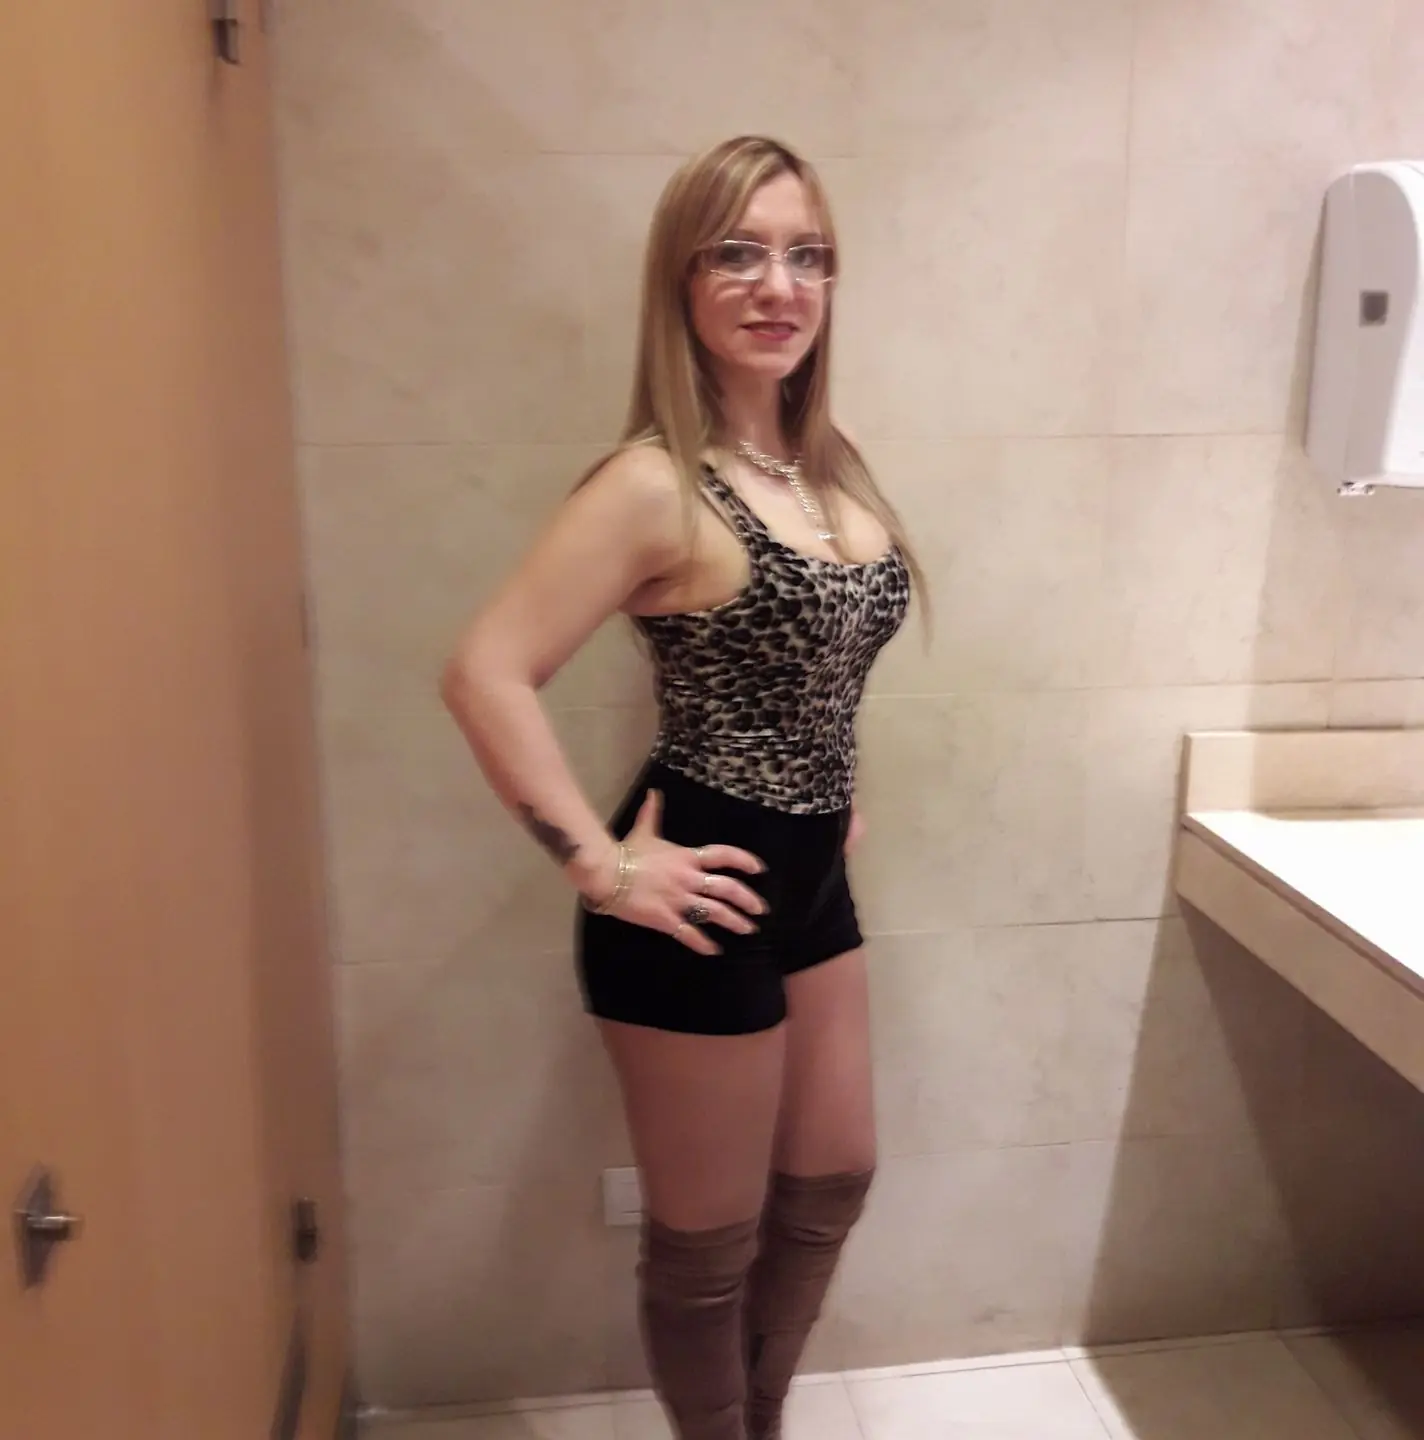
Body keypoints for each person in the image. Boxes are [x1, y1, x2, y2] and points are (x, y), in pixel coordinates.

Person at [441, 135, 922, 1440]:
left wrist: (834, 787)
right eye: (738, 254)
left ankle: (761, 1420)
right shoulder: (655, 481)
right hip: (693, 890)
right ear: (682, 282)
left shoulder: (829, 460)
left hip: (808, 880)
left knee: (830, 1186)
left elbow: (819, 658)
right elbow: (485, 671)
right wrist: (600, 867)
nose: (779, 285)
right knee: (709, 1246)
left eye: (807, 256)